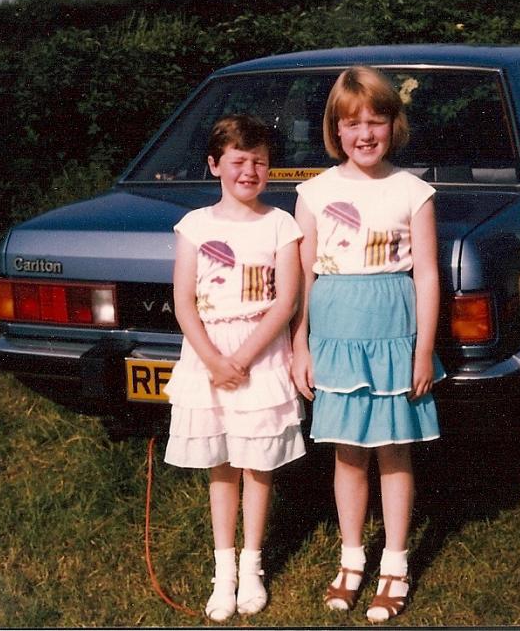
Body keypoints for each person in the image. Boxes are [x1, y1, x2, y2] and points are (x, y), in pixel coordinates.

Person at [291, 66, 445, 623]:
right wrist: (300, 347)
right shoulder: (313, 192)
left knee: (393, 452)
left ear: (393, 125)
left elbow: (427, 274)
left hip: (393, 335)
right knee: (347, 452)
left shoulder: (413, 190)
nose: (364, 135)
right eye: (352, 124)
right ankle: (352, 558)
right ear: (336, 130)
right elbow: (302, 278)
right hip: (335, 335)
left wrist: (422, 349)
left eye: (375, 122)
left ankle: (397, 564)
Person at [163, 114, 306, 622]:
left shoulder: (279, 224)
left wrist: (242, 359)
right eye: (238, 161)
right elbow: (183, 302)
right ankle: (223, 572)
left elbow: (286, 299)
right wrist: (213, 360)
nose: (249, 171)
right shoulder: (195, 225)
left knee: (257, 461)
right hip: (207, 355)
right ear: (214, 164)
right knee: (220, 463)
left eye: (260, 162)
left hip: (260, 352)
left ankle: (252, 566)